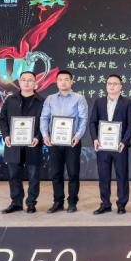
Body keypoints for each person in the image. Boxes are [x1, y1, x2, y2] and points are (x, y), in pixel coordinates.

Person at [40, 70, 88, 213]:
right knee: (56, 173)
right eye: (60, 79)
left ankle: (72, 202)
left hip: (72, 141)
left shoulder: (79, 98)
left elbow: (83, 118)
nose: (63, 82)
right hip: (54, 142)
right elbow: (44, 118)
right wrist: (45, 135)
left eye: (66, 79)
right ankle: (58, 202)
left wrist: (78, 136)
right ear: (56, 82)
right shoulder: (50, 99)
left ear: (71, 81)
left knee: (73, 173)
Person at [88, 74, 131, 215]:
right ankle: (105, 204)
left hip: (120, 146)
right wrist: (95, 139)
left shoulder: (127, 102)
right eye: (109, 83)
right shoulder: (99, 102)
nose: (112, 86)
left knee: (122, 175)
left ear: (121, 86)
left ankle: (121, 204)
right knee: (103, 176)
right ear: (106, 86)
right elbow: (92, 122)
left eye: (115, 83)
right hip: (103, 146)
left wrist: (124, 141)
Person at [0, 71, 44, 214]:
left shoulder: (42, 101)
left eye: (30, 80)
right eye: (24, 79)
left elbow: (46, 122)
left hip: (33, 144)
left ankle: (31, 203)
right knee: (14, 176)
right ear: (19, 82)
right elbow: (2, 119)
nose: (26, 82)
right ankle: (16, 203)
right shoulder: (10, 100)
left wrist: (38, 137)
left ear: (35, 83)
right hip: (14, 145)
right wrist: (6, 135)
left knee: (33, 176)